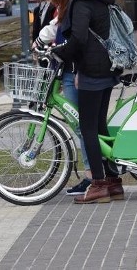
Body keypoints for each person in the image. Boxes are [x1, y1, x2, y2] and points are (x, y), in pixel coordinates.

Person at [50, 0, 123, 204]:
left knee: (89, 129)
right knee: (100, 127)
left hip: (91, 71)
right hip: (107, 67)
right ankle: (114, 182)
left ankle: (99, 185)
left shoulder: (81, 0)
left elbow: (79, 38)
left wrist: (60, 52)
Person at [33, 13, 93, 196]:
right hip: (71, 70)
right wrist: (40, 40)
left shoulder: (77, 2)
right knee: (84, 126)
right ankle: (97, 173)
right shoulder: (74, 2)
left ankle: (93, 176)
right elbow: (57, 26)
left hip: (75, 71)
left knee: (83, 126)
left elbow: (77, 37)